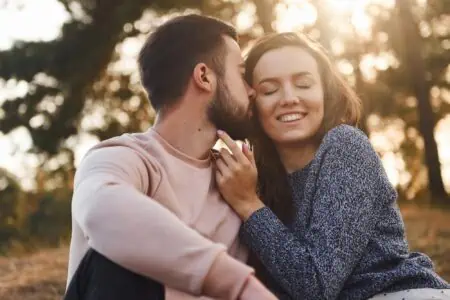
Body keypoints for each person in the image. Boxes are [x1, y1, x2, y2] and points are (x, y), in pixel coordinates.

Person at [213, 32, 450, 300]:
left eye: (303, 84)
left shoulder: (345, 145)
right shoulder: (253, 176)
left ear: (325, 93)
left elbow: (315, 286)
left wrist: (248, 205)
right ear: (252, 104)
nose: (289, 98)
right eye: (269, 90)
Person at [64, 14, 277, 300]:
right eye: (241, 73)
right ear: (204, 77)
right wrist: (240, 285)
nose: (252, 90)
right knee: (115, 258)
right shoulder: (124, 157)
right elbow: (101, 208)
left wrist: (250, 204)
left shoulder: (237, 180)